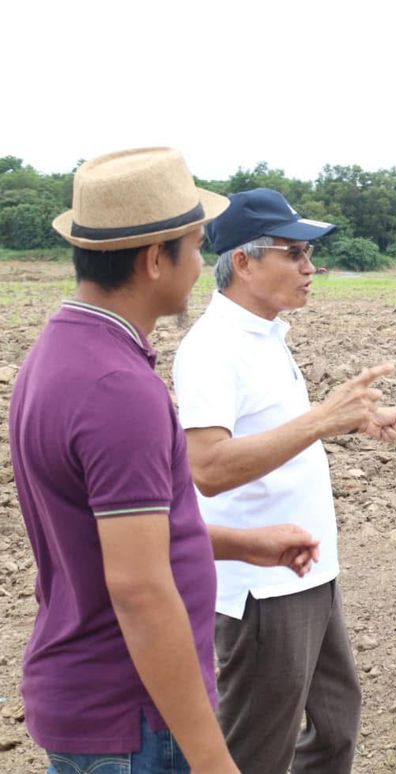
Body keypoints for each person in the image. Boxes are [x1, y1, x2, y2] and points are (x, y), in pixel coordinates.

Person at [8, 147, 320, 773]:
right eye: (198, 245)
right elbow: (140, 588)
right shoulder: (117, 389)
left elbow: (118, 541)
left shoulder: (60, 352)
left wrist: (240, 544)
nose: (203, 263)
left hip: (92, 700)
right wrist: (212, 758)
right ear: (156, 258)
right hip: (131, 717)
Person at [172, 188, 396, 774]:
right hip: (263, 584)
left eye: (310, 254)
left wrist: (348, 421)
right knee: (257, 746)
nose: (311, 269)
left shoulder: (266, 335)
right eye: (296, 253)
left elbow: (278, 436)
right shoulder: (212, 349)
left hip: (309, 567)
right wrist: (322, 418)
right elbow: (207, 468)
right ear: (246, 261)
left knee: (334, 727)